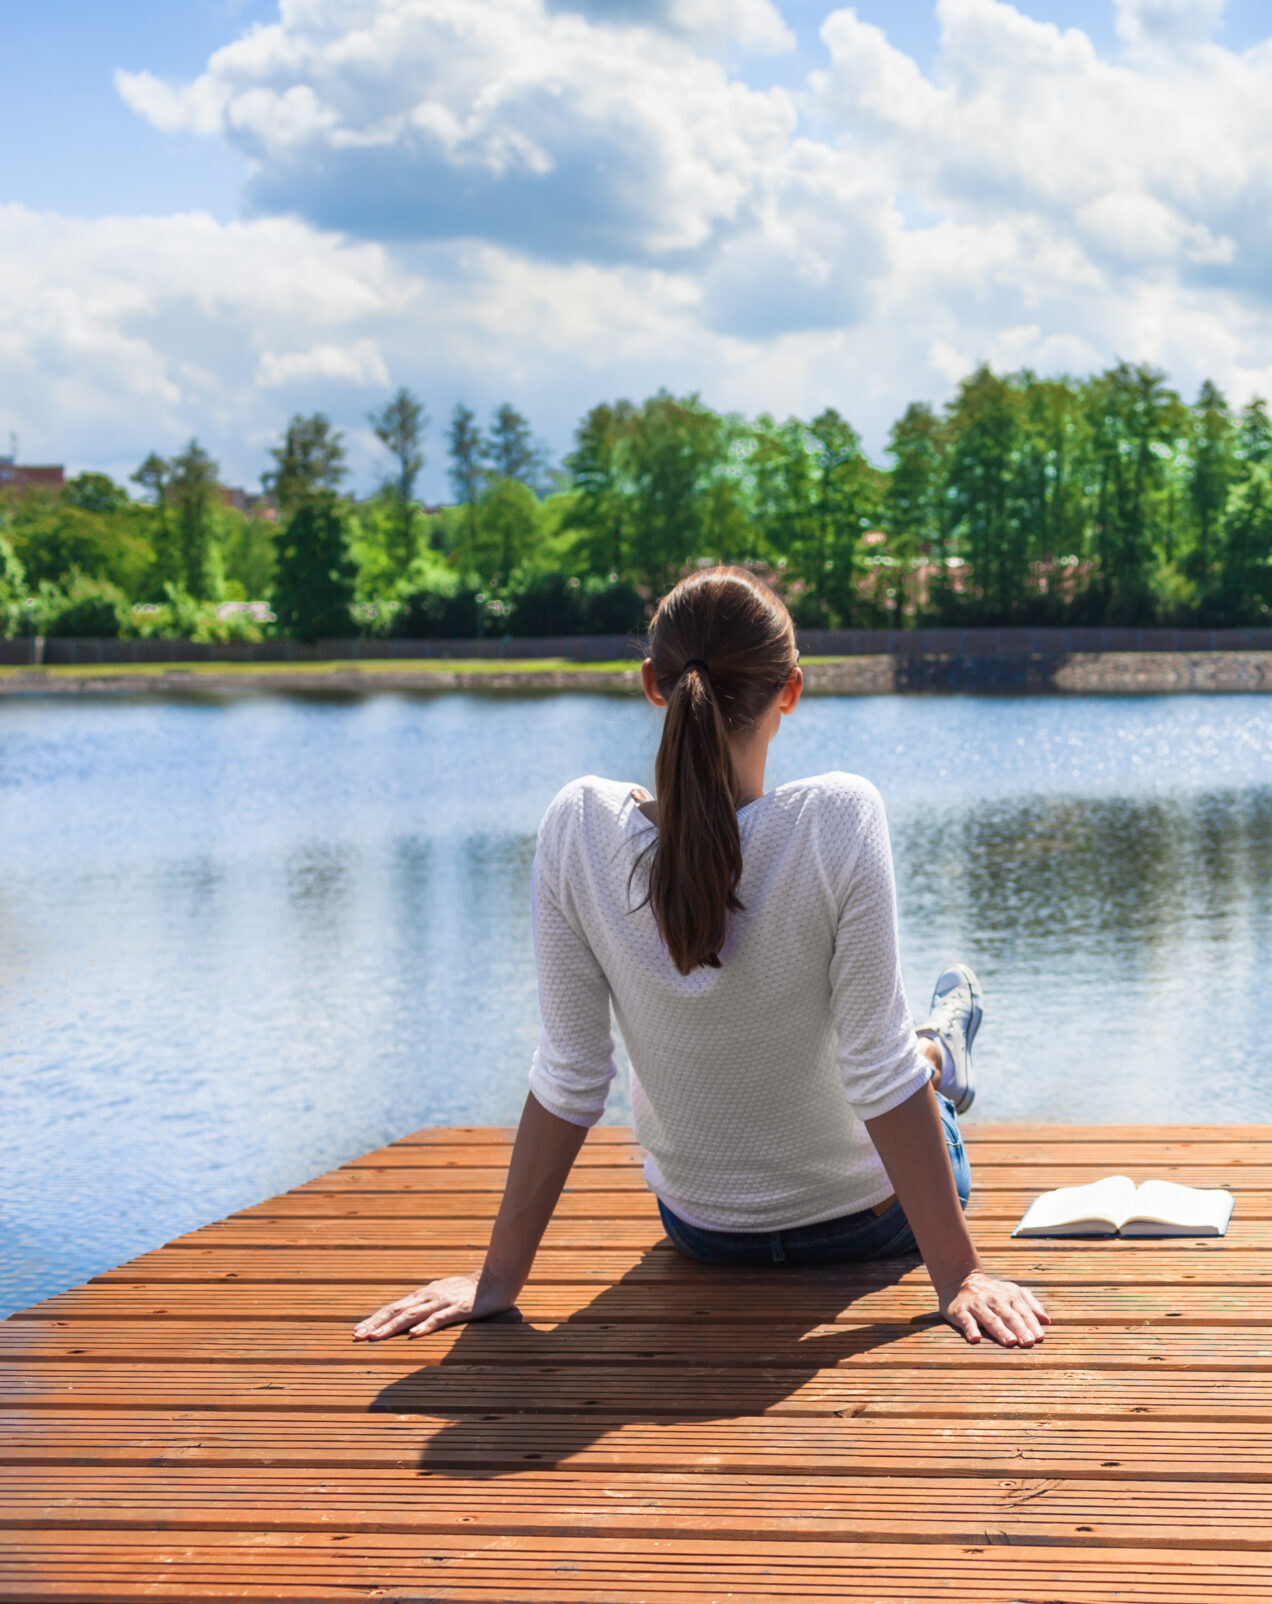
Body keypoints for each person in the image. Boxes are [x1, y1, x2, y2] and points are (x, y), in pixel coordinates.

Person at [354, 565, 1048, 1348]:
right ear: (791, 690)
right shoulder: (839, 818)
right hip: (864, 1227)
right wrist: (959, 1275)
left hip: (705, 1233)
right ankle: (942, 1053)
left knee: (890, 1054)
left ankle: (933, 1047)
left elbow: (571, 1075)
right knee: (909, 1069)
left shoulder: (578, 829)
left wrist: (498, 1281)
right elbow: (875, 1073)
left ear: (652, 683)